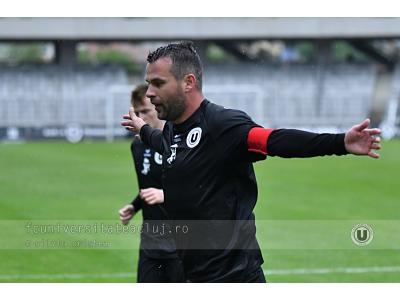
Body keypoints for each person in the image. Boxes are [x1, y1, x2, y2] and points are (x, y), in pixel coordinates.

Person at [121, 41, 382, 283]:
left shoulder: (222, 124)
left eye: (158, 83)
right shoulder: (172, 130)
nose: (150, 93)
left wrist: (340, 143)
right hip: (192, 274)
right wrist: (143, 128)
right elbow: (165, 144)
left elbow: (275, 140)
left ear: (188, 82)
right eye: (148, 83)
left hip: (234, 277)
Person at [118, 84, 185, 283]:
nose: (139, 117)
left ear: (159, 108)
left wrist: (165, 195)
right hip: (150, 243)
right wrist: (135, 205)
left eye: (145, 111)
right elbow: (148, 186)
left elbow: (198, 189)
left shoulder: (179, 144)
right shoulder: (137, 146)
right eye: (136, 112)